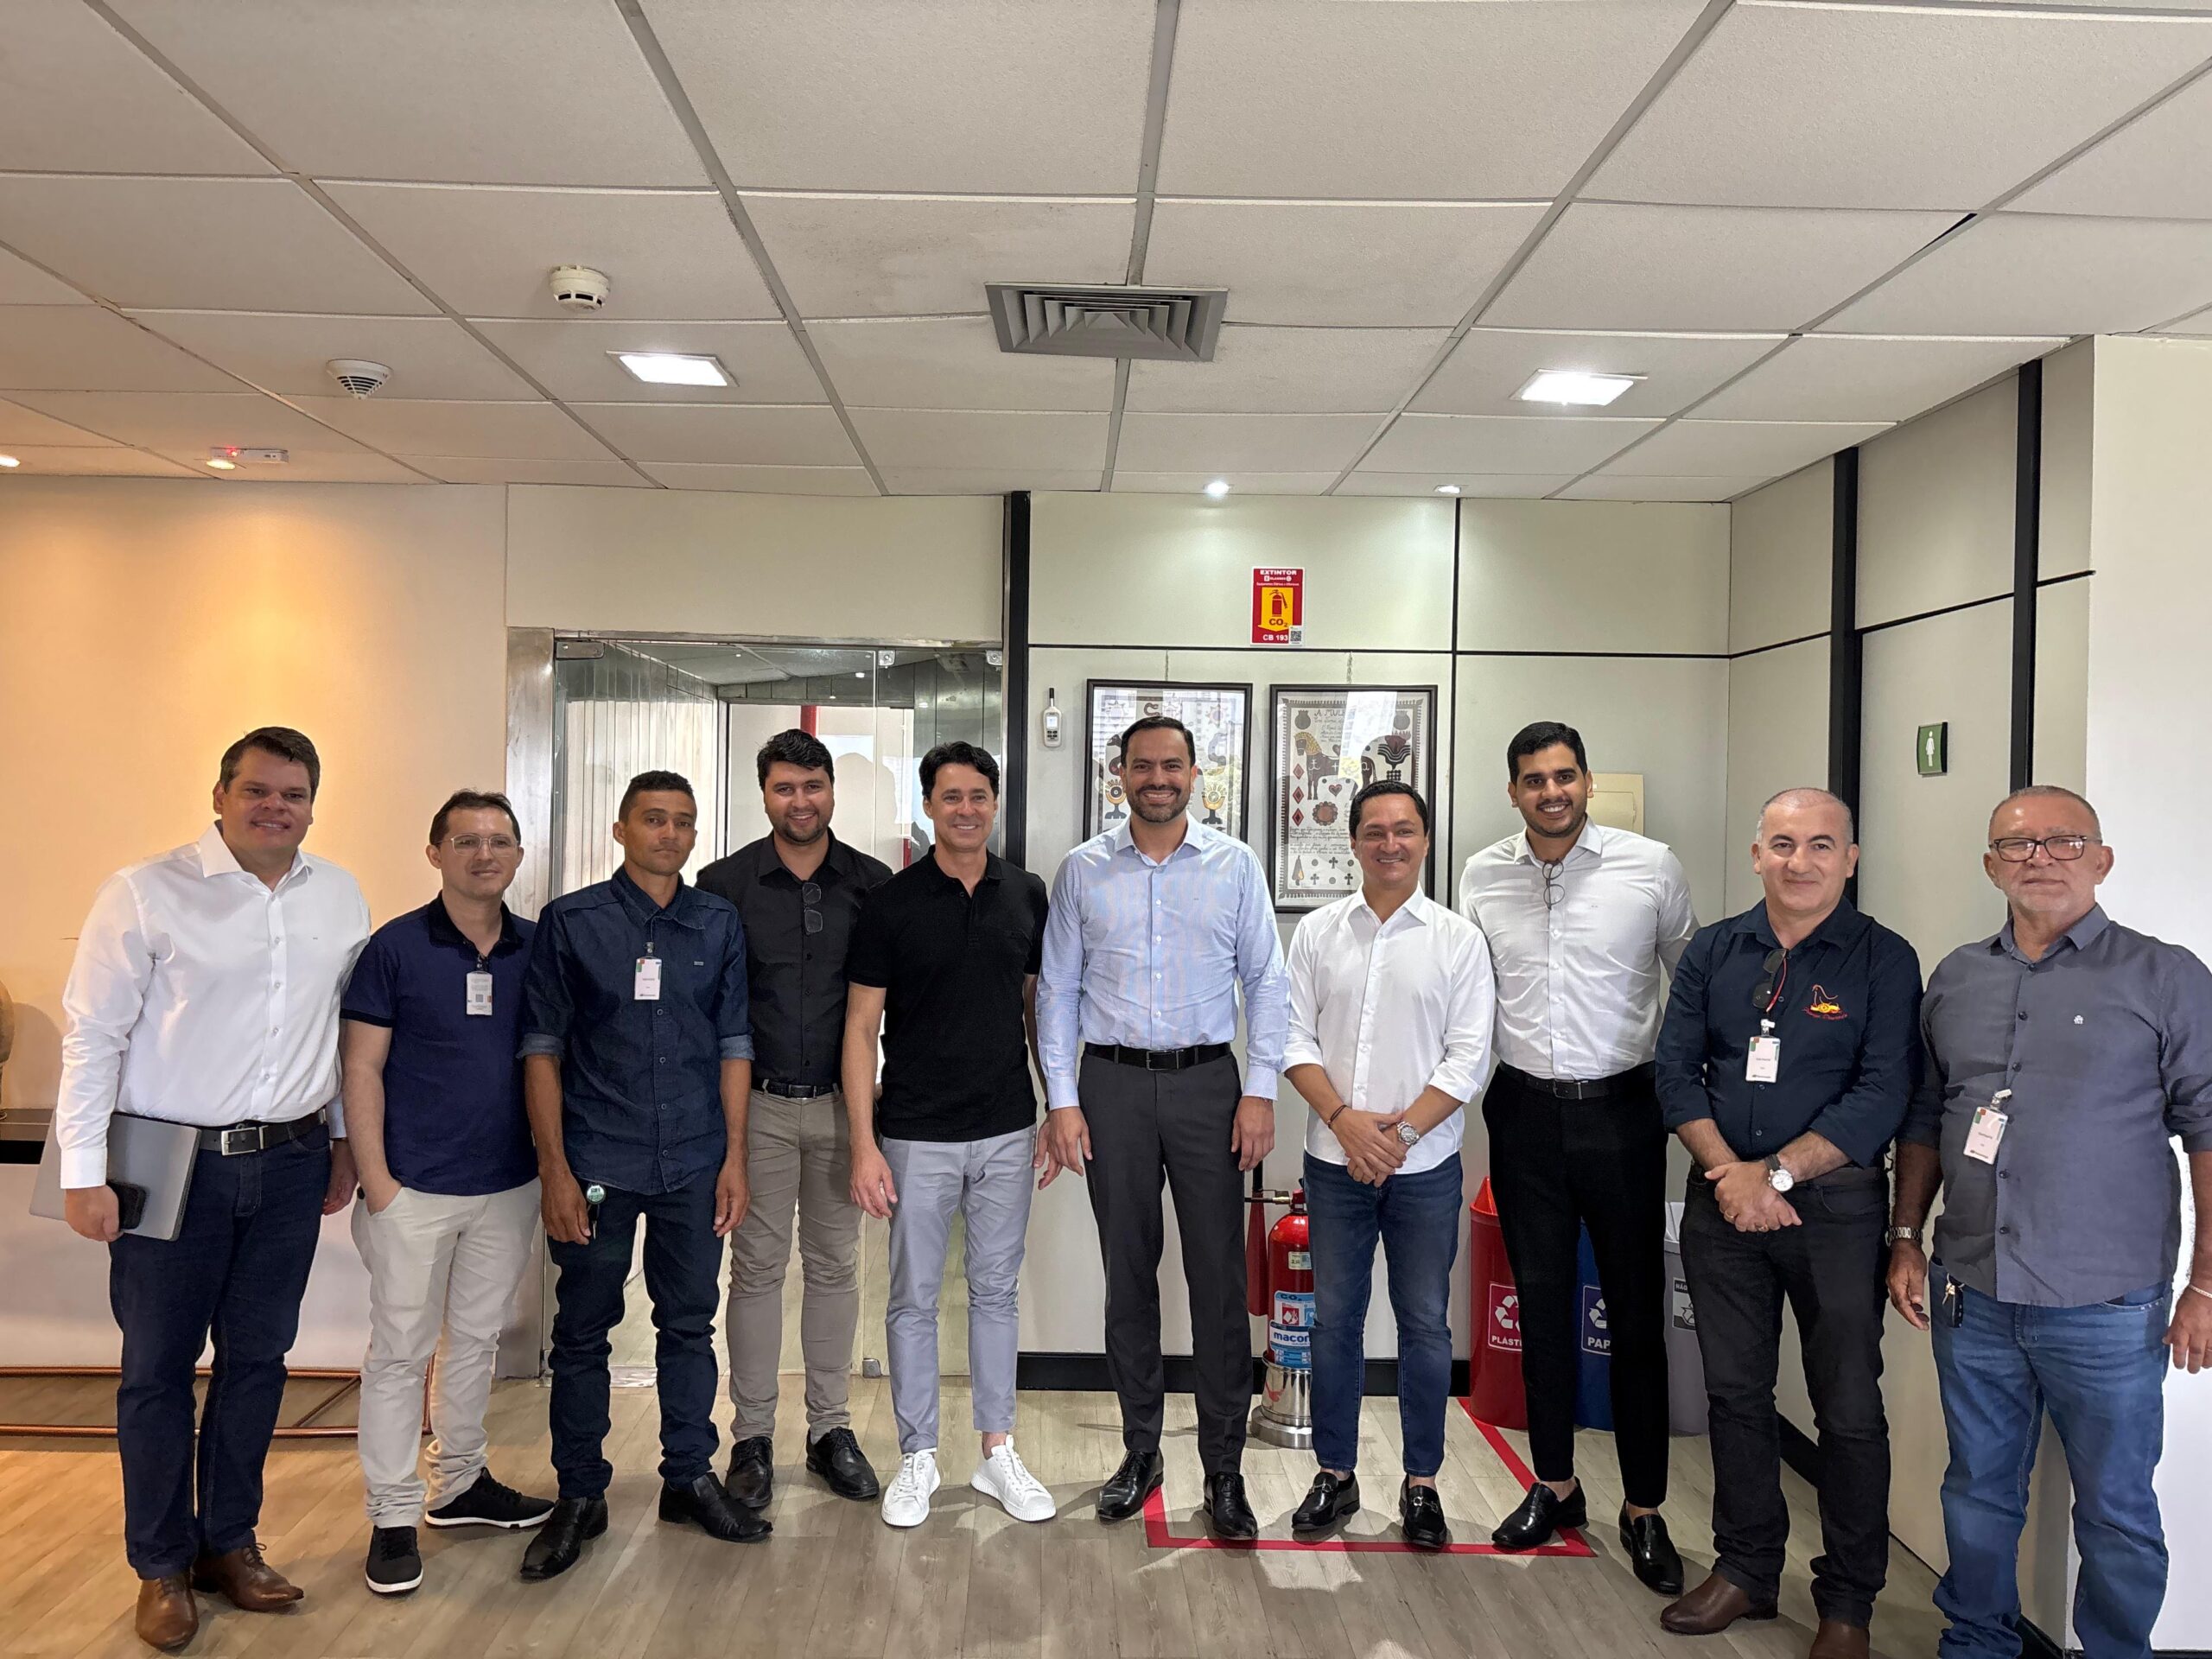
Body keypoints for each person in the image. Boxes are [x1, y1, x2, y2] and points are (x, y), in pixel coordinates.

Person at [54, 728, 369, 1653]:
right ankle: (160, 1565)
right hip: (165, 1163)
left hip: (290, 1160)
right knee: (156, 1370)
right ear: (220, 794)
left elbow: (340, 1030)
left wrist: (342, 1144)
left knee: (258, 1361)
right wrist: (81, 1172)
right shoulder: (145, 892)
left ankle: (228, 1544)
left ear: (312, 805)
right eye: (258, 790)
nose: (276, 807)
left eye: (294, 794)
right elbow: (93, 1037)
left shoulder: (338, 893)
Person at [1890, 785, 2212, 1659]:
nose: (2039, 858)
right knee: (1977, 1491)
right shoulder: (1957, 977)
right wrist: (1906, 1237)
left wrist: (2205, 1286)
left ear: (2101, 860)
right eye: (2016, 844)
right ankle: (1977, 1644)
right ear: (1990, 865)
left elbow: (2208, 1131)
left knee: (2115, 1510)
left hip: (2108, 1306)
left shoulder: (2165, 975)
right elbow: (1927, 1115)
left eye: (2063, 841)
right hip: (1973, 1292)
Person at [1654, 787, 1923, 1659]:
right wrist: (1731, 1177)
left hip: (1835, 1212)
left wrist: (1771, 1174)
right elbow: (1674, 1072)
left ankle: (1847, 1602)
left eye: (1819, 845)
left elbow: (1882, 1092)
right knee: (1735, 1395)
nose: (1798, 862)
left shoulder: (1883, 958)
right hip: (1722, 1203)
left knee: (1848, 1410)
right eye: (1781, 844)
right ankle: (1745, 1570)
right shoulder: (1714, 949)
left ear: (1850, 858)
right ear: (1756, 854)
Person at [1037, 714, 1288, 1541]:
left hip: (1209, 1087)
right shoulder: (1083, 870)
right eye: (1142, 765)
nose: (1157, 779)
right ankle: (1141, 1449)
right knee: (1128, 1272)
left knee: (1218, 1281)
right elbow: (1057, 991)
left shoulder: (1234, 865)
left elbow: (1267, 981)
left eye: (1171, 765)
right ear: (1120, 775)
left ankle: (1223, 1468)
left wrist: (1260, 1091)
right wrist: (1062, 1100)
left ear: (1194, 774)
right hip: (1109, 1086)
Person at [1459, 720, 1694, 1590]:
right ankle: (1554, 1486)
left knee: (1634, 1317)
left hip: (1625, 1112)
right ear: (1513, 791)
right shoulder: (1481, 874)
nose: (1550, 792)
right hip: (1523, 1113)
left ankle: (1643, 1508)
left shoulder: (1651, 867)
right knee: (1542, 1309)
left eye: (1564, 777)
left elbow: (1691, 987)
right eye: (1533, 780)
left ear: (1587, 782)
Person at [514, 769, 766, 1581]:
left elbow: (734, 1045)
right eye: (654, 820)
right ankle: (580, 1493)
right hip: (598, 1158)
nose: (670, 834)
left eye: (683, 822)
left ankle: (688, 1477)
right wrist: (554, 1169)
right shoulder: (572, 922)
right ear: (621, 830)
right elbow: (541, 1050)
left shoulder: (717, 922)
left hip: (693, 1157)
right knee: (583, 1330)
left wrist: (734, 1157)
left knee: (689, 1324)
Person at [340, 789, 556, 1597]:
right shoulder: (393, 949)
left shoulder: (537, 948)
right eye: (466, 841)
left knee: (476, 1341)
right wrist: (379, 1183)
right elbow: (360, 1067)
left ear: (518, 855)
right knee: (399, 1353)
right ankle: (392, 1514)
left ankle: (460, 1483)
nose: (484, 854)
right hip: (413, 1189)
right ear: (435, 853)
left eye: (499, 841)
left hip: (507, 1184)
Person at [842, 741, 1056, 1529]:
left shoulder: (1026, 893)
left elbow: (1037, 1011)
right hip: (915, 1133)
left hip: (1006, 1127)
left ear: (995, 804)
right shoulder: (890, 903)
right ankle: (919, 1456)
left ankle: (997, 1451)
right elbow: (860, 1028)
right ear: (928, 806)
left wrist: (1056, 1105)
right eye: (951, 796)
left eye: (979, 796)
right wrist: (864, 1145)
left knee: (996, 1293)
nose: (966, 809)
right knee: (913, 1299)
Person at [1283, 782, 1492, 1550]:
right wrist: (1346, 1124)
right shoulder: (1317, 933)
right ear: (1353, 843)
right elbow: (1291, 1038)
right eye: (1374, 831)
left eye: (1404, 830)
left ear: (1426, 841)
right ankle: (1335, 1473)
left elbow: (1469, 1059)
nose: (1389, 844)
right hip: (1333, 1162)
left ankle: (1421, 1483)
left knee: (1425, 1325)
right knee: (1334, 1321)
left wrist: (1395, 1138)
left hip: (1425, 1168)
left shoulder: (1457, 940)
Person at [696, 731, 892, 1509]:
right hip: (759, 1109)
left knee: (838, 1267)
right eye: (784, 788)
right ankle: (751, 1436)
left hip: (846, 1109)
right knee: (756, 1271)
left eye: (813, 787)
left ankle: (830, 1430)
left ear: (833, 791)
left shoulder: (873, 885)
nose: (800, 802)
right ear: (764, 794)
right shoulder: (723, 885)